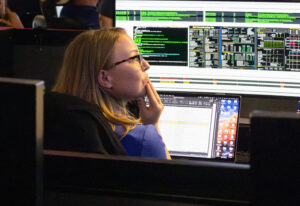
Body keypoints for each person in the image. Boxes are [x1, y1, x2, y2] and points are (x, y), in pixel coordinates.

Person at [52, 28, 171, 160]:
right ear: (105, 78)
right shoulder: (143, 141)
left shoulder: (50, 129)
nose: (146, 65)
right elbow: (173, 179)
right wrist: (152, 126)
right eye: (135, 58)